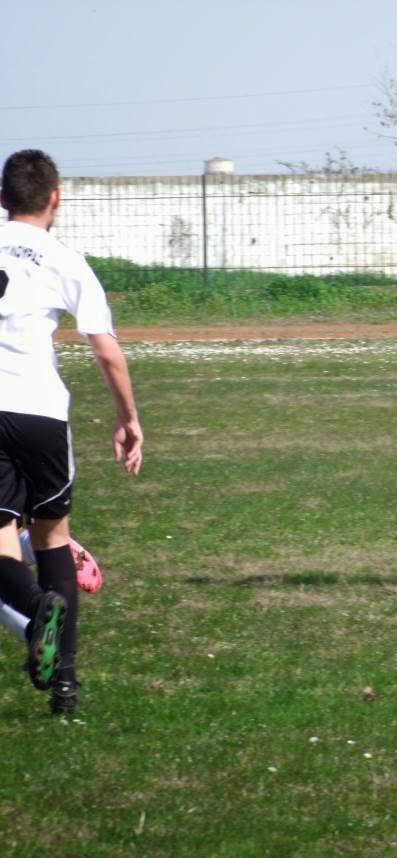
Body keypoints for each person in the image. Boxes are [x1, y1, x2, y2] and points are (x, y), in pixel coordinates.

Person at [0, 149, 143, 713]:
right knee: (53, 538)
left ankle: (36, 612)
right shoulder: (65, 259)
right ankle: (65, 683)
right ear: (55, 199)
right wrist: (128, 418)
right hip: (41, 412)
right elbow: (106, 351)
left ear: (2, 199)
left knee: (2, 544)